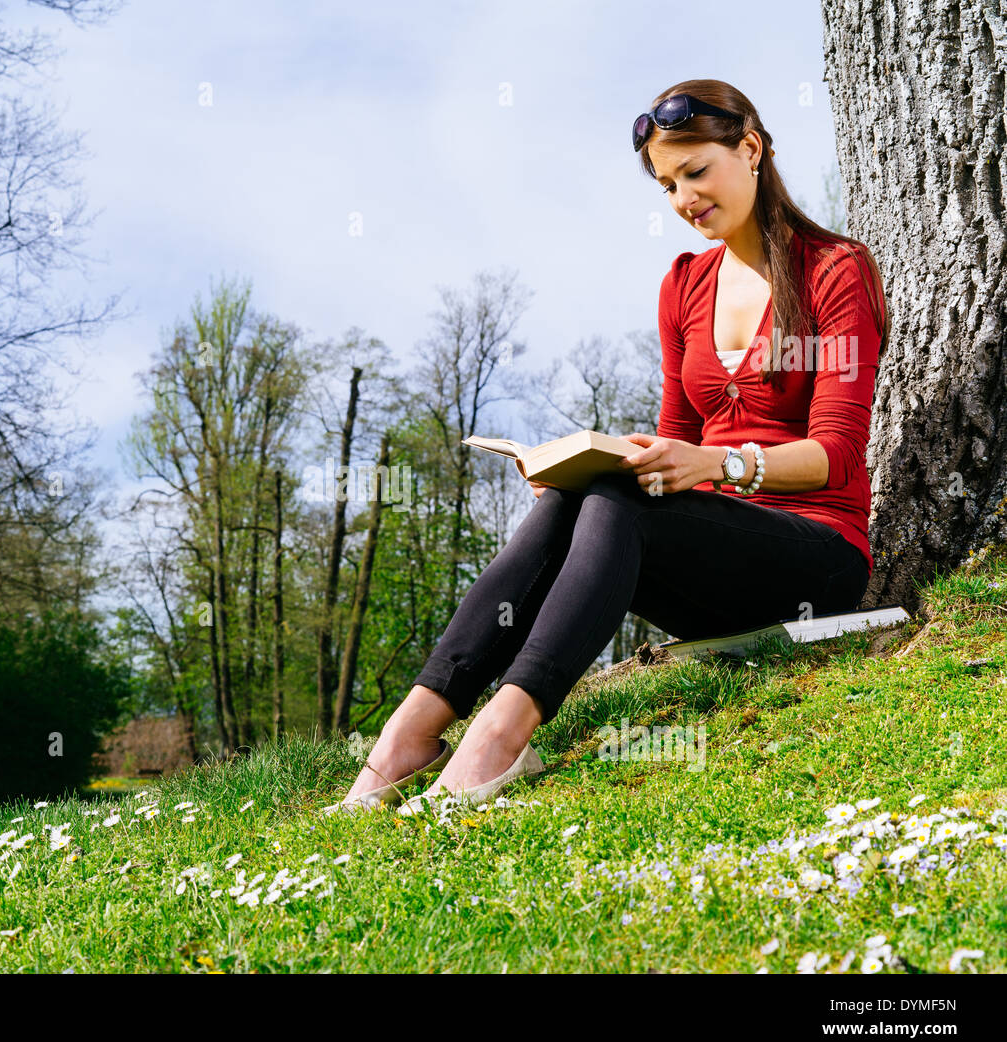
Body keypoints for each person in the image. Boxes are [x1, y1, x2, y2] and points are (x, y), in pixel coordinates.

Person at [326, 78, 890, 816]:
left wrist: (720, 464)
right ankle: (411, 733)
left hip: (817, 556)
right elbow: (673, 441)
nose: (683, 197)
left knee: (614, 499)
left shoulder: (835, 269)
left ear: (749, 149)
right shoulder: (683, 285)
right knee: (583, 493)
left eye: (695, 171)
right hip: (712, 570)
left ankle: (500, 733)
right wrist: (618, 459)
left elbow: (838, 455)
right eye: (666, 184)